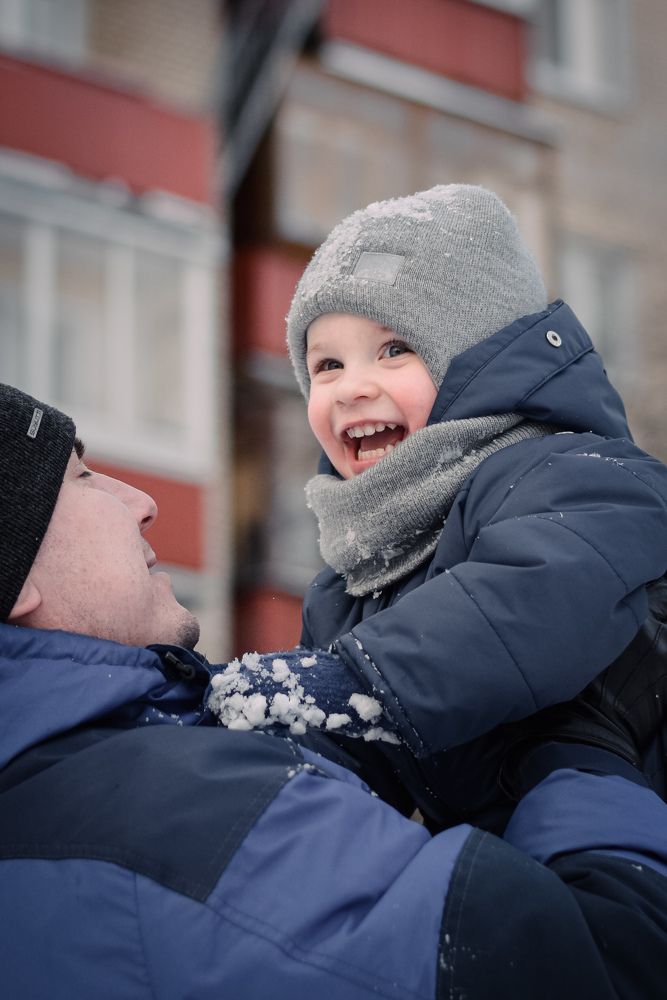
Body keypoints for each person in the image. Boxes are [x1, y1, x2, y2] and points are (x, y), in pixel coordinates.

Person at [1, 381, 667, 998]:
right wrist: (581, 746)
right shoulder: (185, 824)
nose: (141, 504)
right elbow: (616, 962)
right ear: (18, 582)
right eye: (81, 478)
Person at [207, 184, 667, 832]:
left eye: (394, 350)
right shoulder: (352, 586)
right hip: (496, 850)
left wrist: (354, 684)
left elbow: (527, 602)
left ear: (478, 360)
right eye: (327, 364)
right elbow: (332, 765)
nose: (352, 387)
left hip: (614, 816)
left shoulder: (576, 474)